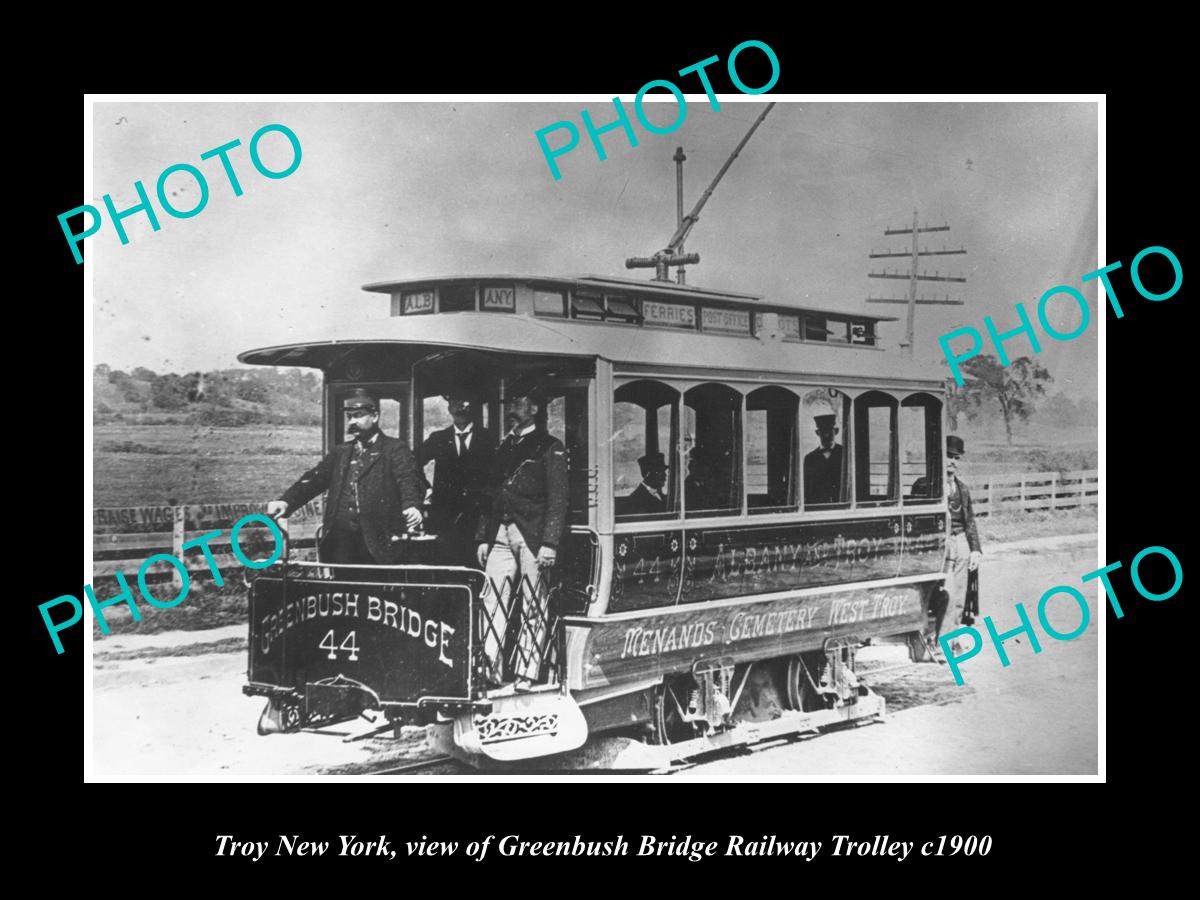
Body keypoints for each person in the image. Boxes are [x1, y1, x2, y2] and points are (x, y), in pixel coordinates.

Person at [475, 380, 569, 692]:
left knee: (533, 602)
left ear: (534, 409)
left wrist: (550, 543)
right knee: (493, 600)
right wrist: (482, 538)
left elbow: (558, 499)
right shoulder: (504, 447)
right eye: (510, 405)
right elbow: (490, 495)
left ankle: (528, 672)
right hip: (499, 533)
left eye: (518, 404)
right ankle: (490, 670)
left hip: (533, 536)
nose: (512, 411)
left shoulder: (549, 446)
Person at [267, 389, 424, 565]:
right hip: (340, 544)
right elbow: (314, 480)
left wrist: (411, 506)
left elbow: (407, 479)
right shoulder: (341, 452)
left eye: (358, 415)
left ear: (375, 416)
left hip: (378, 544)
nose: (352, 422)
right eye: (349, 417)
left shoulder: (394, 449)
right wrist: (286, 501)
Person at [419, 394, 495, 566]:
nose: (461, 408)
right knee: (447, 566)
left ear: (473, 408)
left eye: (466, 403)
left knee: (476, 566)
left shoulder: (488, 439)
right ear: (449, 409)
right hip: (445, 518)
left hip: (478, 519)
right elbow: (412, 463)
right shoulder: (438, 438)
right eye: (456, 404)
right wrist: (427, 488)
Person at [931, 435, 983, 653]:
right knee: (946, 593)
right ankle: (939, 640)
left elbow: (969, 520)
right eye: (948, 456)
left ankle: (951, 641)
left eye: (956, 458)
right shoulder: (928, 485)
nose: (952, 461)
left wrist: (975, 550)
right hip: (940, 544)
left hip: (960, 541)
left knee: (960, 595)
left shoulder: (962, 489)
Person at [803, 413, 843, 505]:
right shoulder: (809, 459)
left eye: (829, 431)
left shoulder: (845, 454)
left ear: (836, 431)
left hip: (840, 508)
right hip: (818, 509)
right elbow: (807, 490)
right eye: (823, 431)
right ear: (818, 433)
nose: (826, 436)